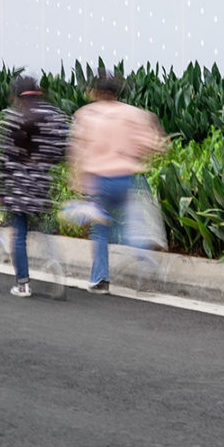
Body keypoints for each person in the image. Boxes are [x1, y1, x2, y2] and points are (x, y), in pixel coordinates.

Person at [67, 68, 167, 294]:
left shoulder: (85, 114)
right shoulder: (134, 114)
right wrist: (135, 156)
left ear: (96, 91)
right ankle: (141, 250)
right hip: (124, 178)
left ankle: (100, 279)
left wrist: (75, 182)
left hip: (98, 181)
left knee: (100, 229)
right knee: (130, 219)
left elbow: (77, 151)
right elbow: (153, 143)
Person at [0, 75, 70, 298]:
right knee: (44, 228)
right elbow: (64, 147)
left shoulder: (11, 117)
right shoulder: (53, 115)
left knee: (19, 234)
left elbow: (1, 156)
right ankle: (54, 263)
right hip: (41, 183)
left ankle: (23, 284)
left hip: (16, 185)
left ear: (16, 95)